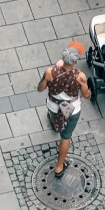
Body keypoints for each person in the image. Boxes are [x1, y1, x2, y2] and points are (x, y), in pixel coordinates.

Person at [36, 46, 91, 178]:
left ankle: (57, 125)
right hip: (72, 109)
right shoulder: (80, 76)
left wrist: (50, 72)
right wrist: (89, 91)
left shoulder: (50, 72)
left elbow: (40, 88)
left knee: (55, 118)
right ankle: (59, 166)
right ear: (75, 62)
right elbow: (86, 95)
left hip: (54, 106)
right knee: (66, 137)